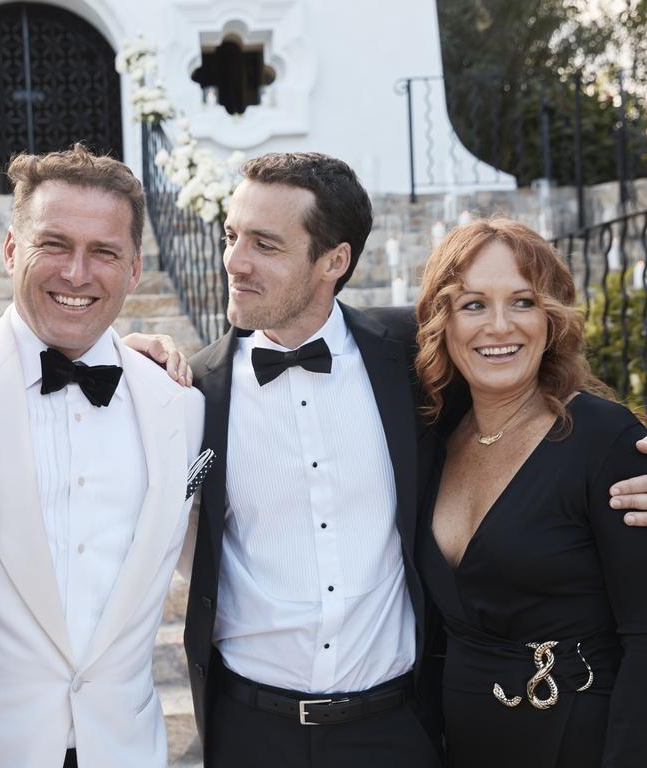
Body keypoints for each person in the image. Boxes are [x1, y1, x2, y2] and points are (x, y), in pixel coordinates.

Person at [184, 153, 647, 768]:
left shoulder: (401, 363)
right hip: (251, 730)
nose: (234, 262)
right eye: (231, 236)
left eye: (265, 244)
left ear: (335, 261)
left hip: (404, 732)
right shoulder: (185, 391)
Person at [0, 145, 204, 768]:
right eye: (54, 244)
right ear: (10, 250)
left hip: (126, 747)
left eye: (105, 252)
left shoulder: (180, 406)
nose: (78, 273)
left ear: (136, 269)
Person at [412, 218, 647, 767]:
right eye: (472, 305)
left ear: (551, 318)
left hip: (577, 740)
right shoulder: (435, 435)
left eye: (522, 302)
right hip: (461, 743)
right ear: (441, 321)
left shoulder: (605, 440)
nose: (499, 326)